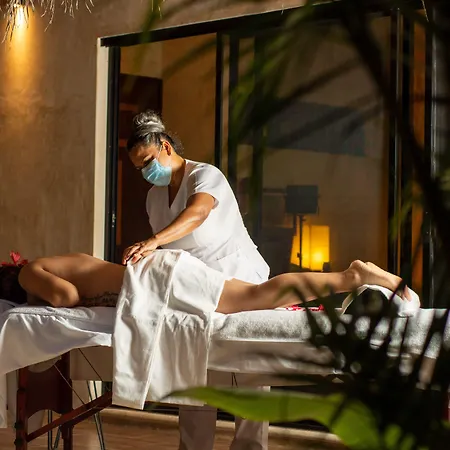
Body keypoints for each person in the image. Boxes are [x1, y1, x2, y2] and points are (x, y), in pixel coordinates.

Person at [122, 110, 271, 450]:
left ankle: (250, 446)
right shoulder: (154, 197)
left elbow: (198, 213)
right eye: (139, 168)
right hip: (196, 290)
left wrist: (153, 242)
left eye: (148, 162)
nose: (145, 172)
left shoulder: (205, 175)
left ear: (165, 146)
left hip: (239, 280)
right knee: (193, 367)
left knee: (248, 370)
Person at [0, 251, 410, 312]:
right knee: (256, 296)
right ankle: (348, 277)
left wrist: (34, 299)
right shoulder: (49, 260)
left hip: (157, 281)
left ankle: (352, 276)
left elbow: (67, 297)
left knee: (257, 295)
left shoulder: (29, 271)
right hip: (157, 277)